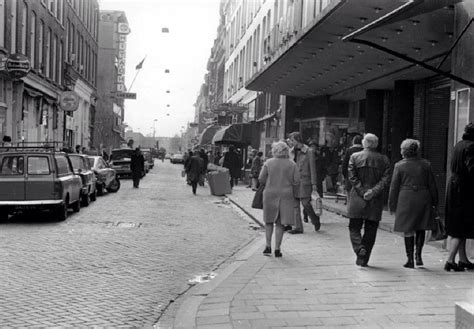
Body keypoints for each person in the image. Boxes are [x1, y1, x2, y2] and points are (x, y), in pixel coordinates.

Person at [388, 139, 438, 268]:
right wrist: (435, 202)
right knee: (420, 226)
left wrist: (391, 204)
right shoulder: (426, 164)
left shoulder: (399, 165)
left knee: (408, 228)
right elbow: (432, 185)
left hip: (406, 198)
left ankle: (409, 259)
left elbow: (394, 187)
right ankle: (418, 256)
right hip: (423, 197)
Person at [347, 133, 391, 267]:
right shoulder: (384, 159)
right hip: (375, 199)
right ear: (376, 144)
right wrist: (373, 191)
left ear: (364, 143)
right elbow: (386, 179)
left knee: (354, 227)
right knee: (371, 229)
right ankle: (363, 259)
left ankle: (359, 248)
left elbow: (352, 177)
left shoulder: (354, 157)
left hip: (357, 198)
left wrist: (362, 191)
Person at [259, 141, 300, 258]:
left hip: (270, 193)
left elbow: (261, 179)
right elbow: (297, 180)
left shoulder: (268, 163)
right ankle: (277, 248)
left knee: (268, 221)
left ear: (274, 151)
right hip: (286, 195)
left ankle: (267, 246)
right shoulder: (292, 164)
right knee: (280, 223)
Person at [444, 122, 474, 272]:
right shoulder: (471, 147)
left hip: (455, 186)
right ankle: (450, 261)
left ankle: (463, 260)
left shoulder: (459, 144)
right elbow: (472, 168)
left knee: (460, 225)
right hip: (465, 189)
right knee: (461, 225)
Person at [287, 132, 320, 233]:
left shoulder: (309, 151)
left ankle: (315, 220)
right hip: (293, 181)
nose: (291, 142)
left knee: (305, 203)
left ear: (298, 139)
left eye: (293, 140)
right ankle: (298, 227)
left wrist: (314, 184)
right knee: (295, 204)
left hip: (304, 180)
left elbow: (313, 168)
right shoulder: (291, 151)